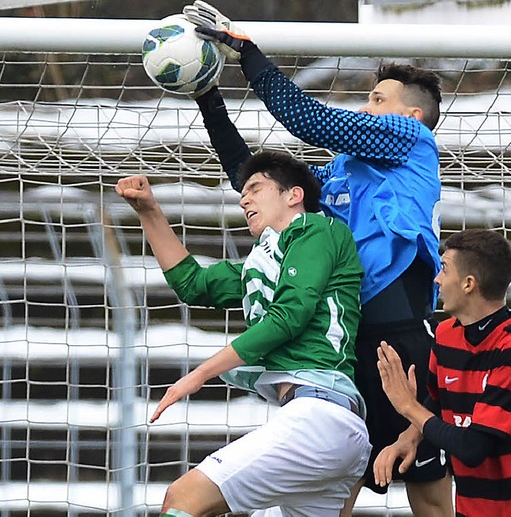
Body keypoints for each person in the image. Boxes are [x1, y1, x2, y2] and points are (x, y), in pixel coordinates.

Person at [181, 0, 454, 516]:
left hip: (400, 338)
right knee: (335, 489)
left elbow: (308, 117)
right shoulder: (340, 172)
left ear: (410, 115)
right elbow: (255, 178)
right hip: (343, 353)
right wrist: (207, 97)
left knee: (428, 490)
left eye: (378, 99)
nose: (367, 108)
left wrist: (245, 49)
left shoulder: (413, 142)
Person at [115, 151, 371, 517]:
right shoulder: (263, 262)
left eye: (255, 188)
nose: (244, 199)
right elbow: (192, 283)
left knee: (183, 498)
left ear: (293, 195)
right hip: (321, 425)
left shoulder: (318, 229)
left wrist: (201, 373)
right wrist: (148, 210)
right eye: (242, 193)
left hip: (319, 418)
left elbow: (290, 316)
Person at [375, 229, 511, 516]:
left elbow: (473, 447)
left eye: (444, 269)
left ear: (468, 284)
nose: (437, 279)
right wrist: (410, 437)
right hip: (476, 508)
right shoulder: (445, 335)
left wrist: (407, 406)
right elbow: (439, 402)